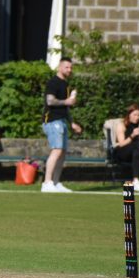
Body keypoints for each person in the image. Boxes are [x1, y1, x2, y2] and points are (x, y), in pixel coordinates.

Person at [41, 57, 82, 193]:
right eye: (66, 67)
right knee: (57, 150)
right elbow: (50, 101)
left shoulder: (66, 85)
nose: (69, 70)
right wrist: (67, 102)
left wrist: (72, 123)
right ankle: (47, 182)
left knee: (62, 153)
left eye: (71, 67)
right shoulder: (53, 82)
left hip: (62, 121)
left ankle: (56, 183)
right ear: (59, 67)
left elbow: (66, 107)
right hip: (52, 120)